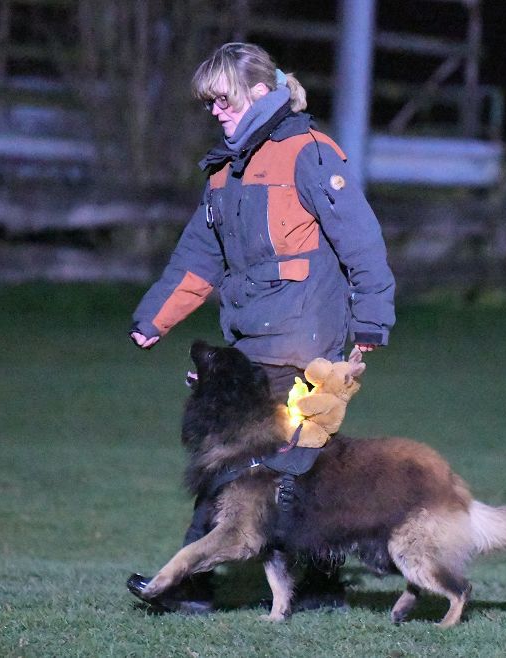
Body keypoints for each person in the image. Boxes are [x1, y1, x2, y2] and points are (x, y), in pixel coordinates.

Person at [126, 42, 395, 614]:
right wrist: (155, 318)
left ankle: (189, 586)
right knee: (292, 469)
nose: (215, 110)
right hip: (249, 341)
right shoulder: (226, 170)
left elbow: (362, 241)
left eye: (223, 99)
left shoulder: (309, 152)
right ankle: (318, 587)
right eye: (208, 102)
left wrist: (372, 319)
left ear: (259, 92)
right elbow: (198, 257)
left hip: (302, 344)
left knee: (241, 463)